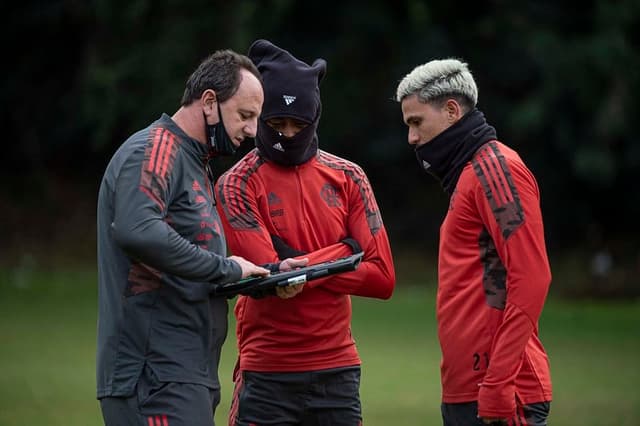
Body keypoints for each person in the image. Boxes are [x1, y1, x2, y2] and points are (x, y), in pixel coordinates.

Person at [96, 48, 306, 426]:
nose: (251, 130)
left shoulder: (196, 163)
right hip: (152, 375)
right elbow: (136, 229)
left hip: (186, 374)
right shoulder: (155, 148)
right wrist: (226, 269)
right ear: (209, 101)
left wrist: (262, 277)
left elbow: (192, 268)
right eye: (245, 115)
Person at [215, 39, 396, 426]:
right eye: (276, 123)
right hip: (267, 373)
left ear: (315, 121)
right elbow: (269, 276)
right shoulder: (236, 184)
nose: (287, 133)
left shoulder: (349, 177)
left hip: (339, 372)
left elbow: (382, 278)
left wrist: (302, 264)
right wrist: (345, 252)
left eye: (299, 124)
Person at [395, 58, 553, 425]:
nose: (412, 138)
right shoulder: (468, 174)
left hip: (501, 393)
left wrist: (498, 384)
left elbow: (532, 279)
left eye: (416, 122)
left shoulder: (495, 168)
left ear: (451, 111)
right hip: (468, 390)